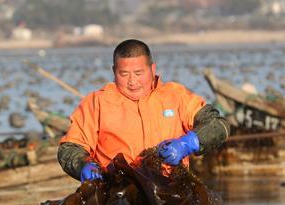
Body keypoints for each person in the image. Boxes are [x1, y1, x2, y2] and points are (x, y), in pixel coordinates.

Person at [57, 39, 228, 181]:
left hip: (172, 190)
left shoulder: (176, 96)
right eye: (124, 74)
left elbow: (219, 125)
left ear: (152, 69)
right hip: (115, 194)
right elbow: (70, 148)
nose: (132, 82)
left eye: (139, 73)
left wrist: (188, 143)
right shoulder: (96, 103)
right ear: (114, 72)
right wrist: (83, 166)